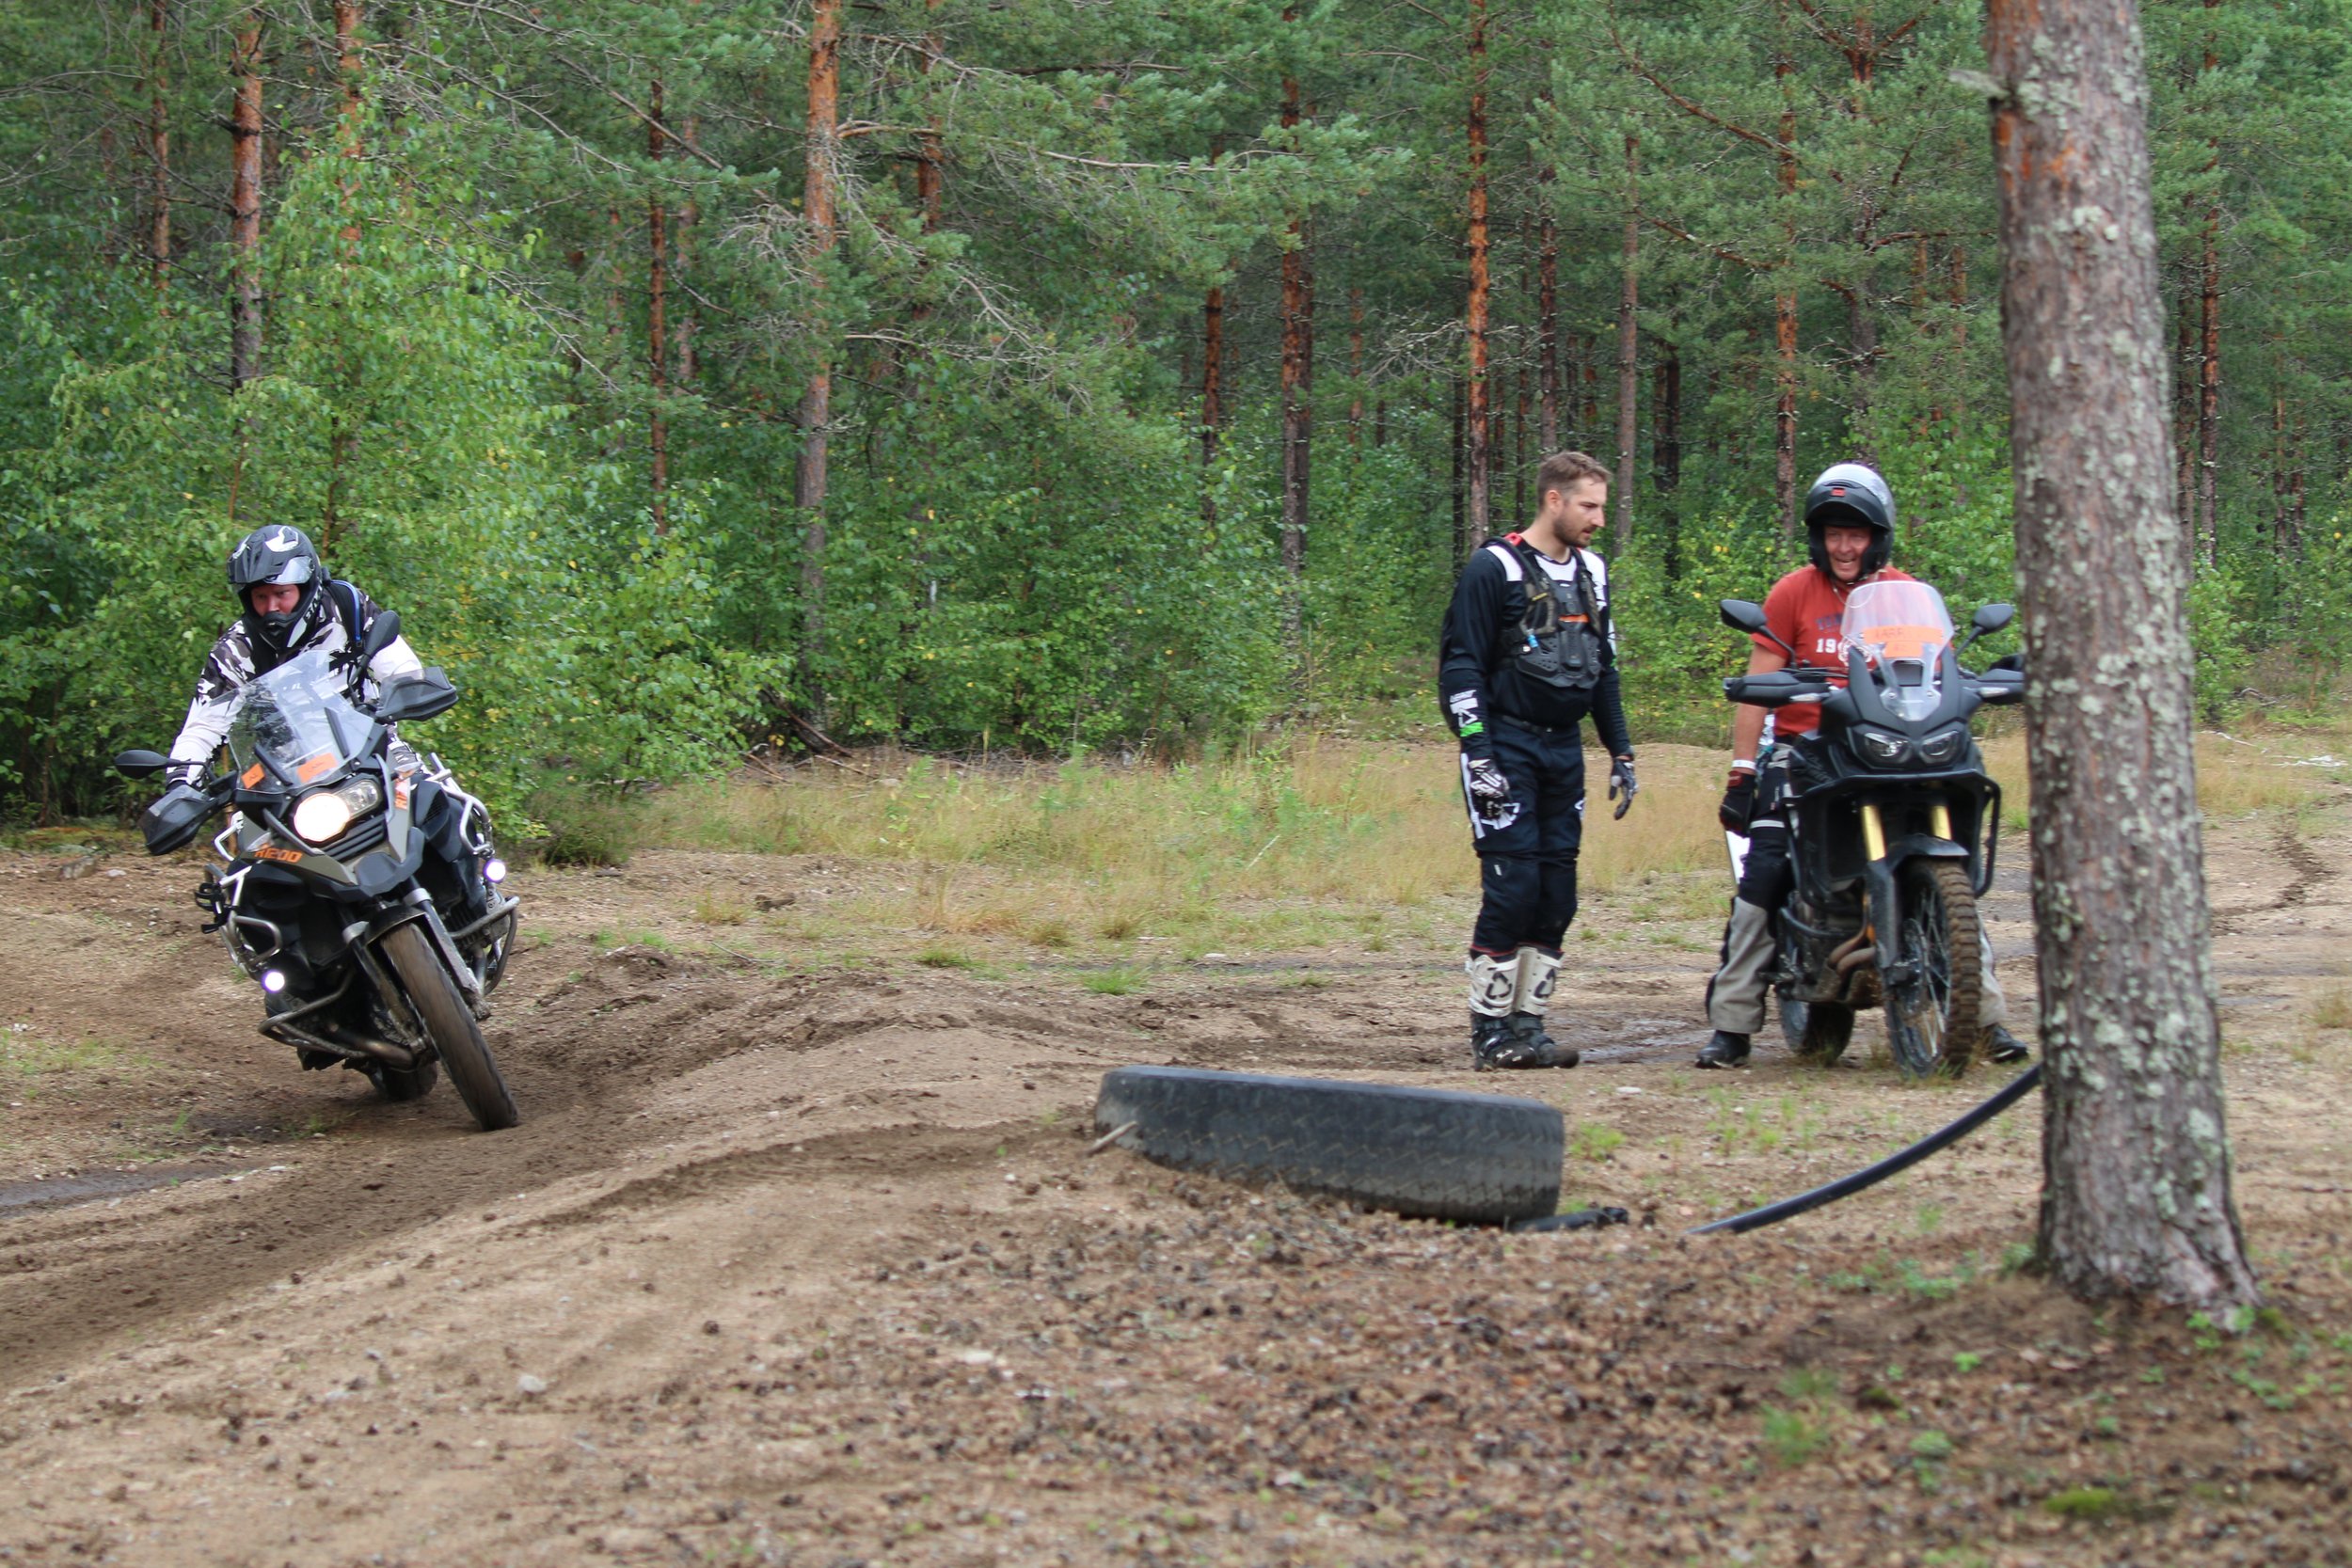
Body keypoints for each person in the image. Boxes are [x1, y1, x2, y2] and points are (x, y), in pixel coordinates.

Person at [1697, 462, 2030, 1069]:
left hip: (1886, 746)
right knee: (1767, 866)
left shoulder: (1906, 595)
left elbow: (1937, 669)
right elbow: (1757, 684)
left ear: (1877, 537)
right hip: (1805, 751)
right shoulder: (1793, 592)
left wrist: (1985, 681)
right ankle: (1733, 1023)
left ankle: (1985, 1021)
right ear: (1818, 538)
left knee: (1948, 858)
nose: (1843, 545)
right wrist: (1744, 770)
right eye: (1832, 533)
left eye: (1855, 533)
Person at [1438, 450, 1638, 1071]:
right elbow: (1460, 663)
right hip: (1506, 746)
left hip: (1562, 750)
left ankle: (1530, 1027)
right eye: (1589, 505)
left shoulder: (1594, 573)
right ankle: (1489, 1034)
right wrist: (1478, 753)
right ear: (1554, 500)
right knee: (1513, 887)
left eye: (1601, 506)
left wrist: (1620, 749)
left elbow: (1602, 667)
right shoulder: (1492, 567)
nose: (1598, 519)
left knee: (1557, 895)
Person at [167, 525, 425, 784]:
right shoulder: (236, 649)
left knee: (430, 797)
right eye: (260, 596)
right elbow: (203, 728)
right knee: (244, 824)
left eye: (281, 593)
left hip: (372, 751)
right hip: (285, 782)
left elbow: (400, 667)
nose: (272, 607)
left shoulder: (347, 608)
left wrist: (410, 689)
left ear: (305, 586)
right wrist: (180, 784)